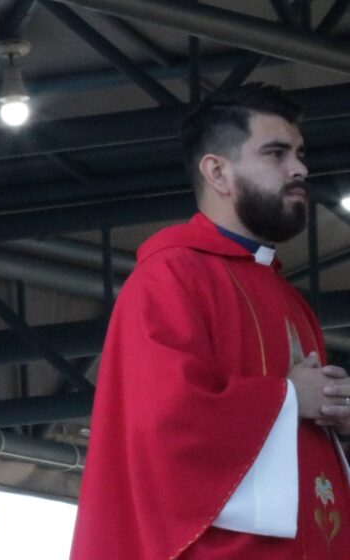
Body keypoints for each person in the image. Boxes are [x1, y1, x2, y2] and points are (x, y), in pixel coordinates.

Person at [71, 82, 350, 559]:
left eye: (300, 154)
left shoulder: (286, 296)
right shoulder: (169, 277)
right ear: (217, 171)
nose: (300, 168)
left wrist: (340, 424)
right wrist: (286, 398)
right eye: (276, 153)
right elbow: (164, 425)